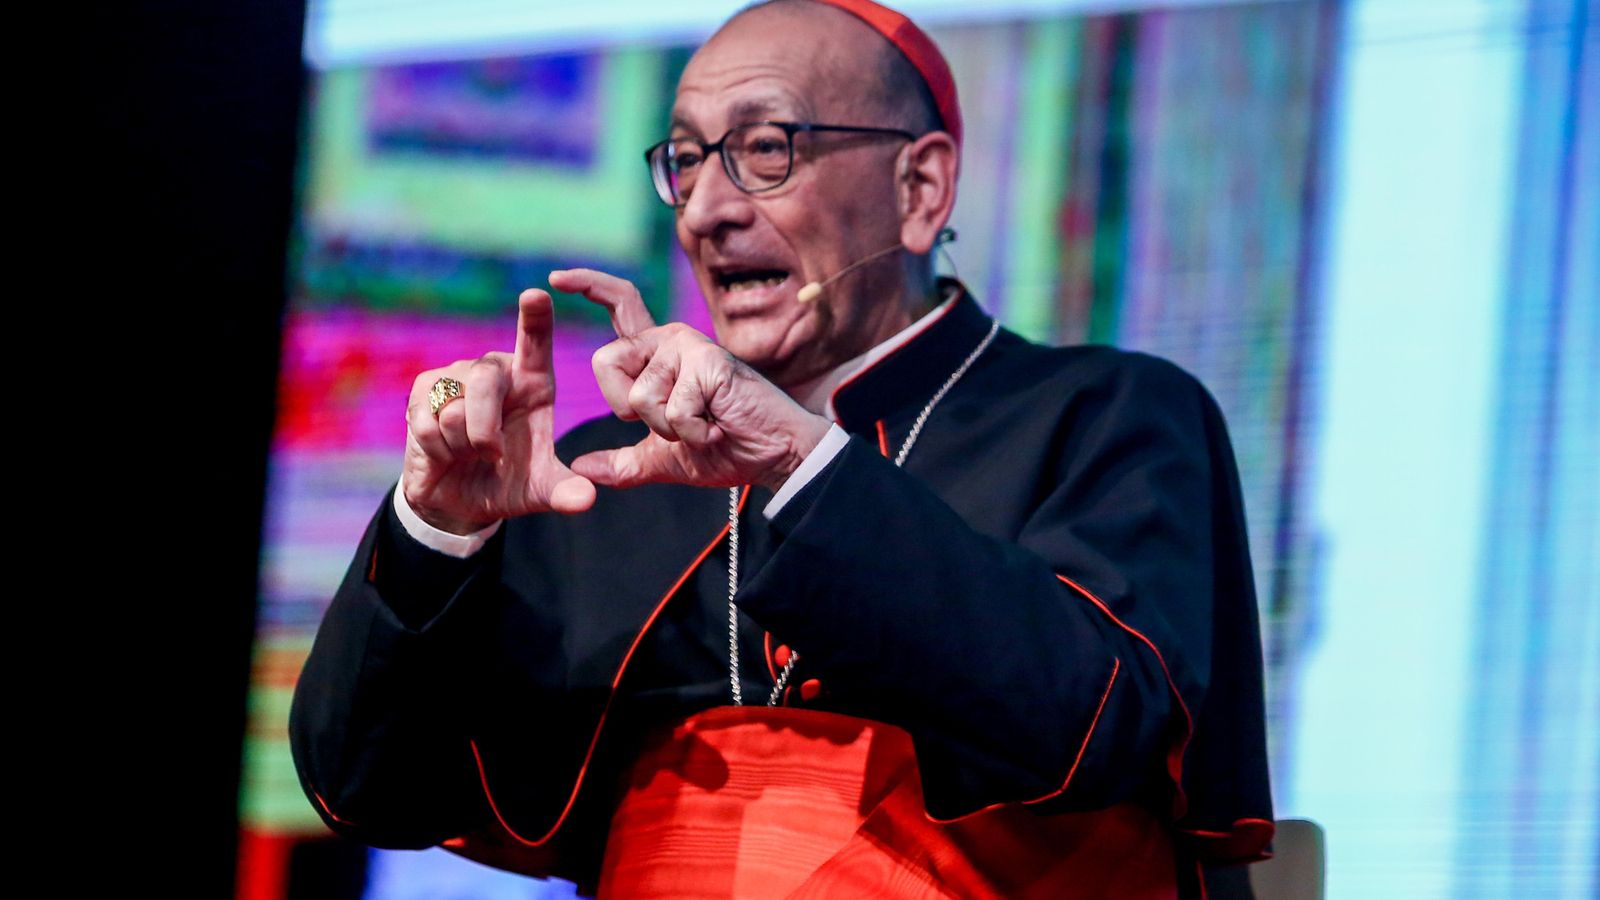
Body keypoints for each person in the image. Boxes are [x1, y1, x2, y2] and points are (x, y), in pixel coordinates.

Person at [289, 1, 1274, 896]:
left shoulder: (1108, 414)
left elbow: (1093, 724)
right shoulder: (595, 472)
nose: (708, 209)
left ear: (919, 187)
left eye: (765, 150)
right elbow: (367, 791)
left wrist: (799, 467)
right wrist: (438, 527)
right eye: (685, 161)